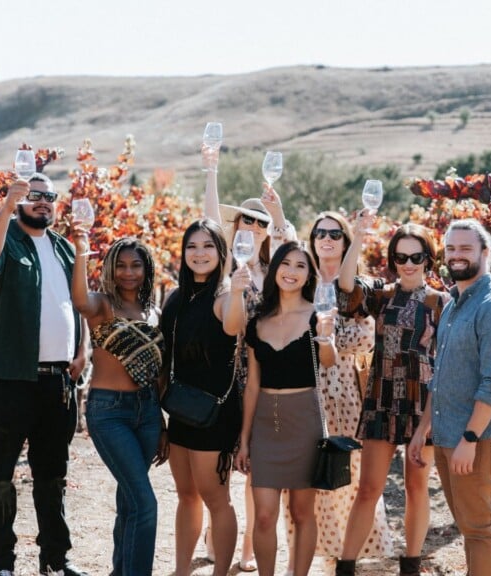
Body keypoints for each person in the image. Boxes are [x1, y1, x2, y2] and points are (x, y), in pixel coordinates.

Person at [0, 173, 89, 576]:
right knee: (0, 475)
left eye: (48, 197)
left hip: (58, 383)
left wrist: (83, 347)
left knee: (53, 474)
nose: (43, 202)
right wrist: (6, 207)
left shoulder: (64, 249)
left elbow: (76, 302)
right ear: (22, 201)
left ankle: (55, 560)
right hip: (11, 379)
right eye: (34, 196)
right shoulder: (8, 238)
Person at [335, 219, 448, 576]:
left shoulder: (440, 302)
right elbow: (345, 287)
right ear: (393, 259)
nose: (409, 263)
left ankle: (411, 564)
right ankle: (346, 566)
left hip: (422, 400)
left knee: (417, 487)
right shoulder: (381, 294)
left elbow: (444, 361)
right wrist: (359, 232)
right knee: (368, 488)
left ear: (429, 259)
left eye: (416, 256)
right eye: (401, 256)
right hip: (383, 397)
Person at [201, 144, 296, 572]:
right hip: (224, 375)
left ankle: (245, 549)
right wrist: (211, 170)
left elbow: (292, 248)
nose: (254, 227)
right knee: (220, 462)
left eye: (260, 222)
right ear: (235, 225)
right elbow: (205, 220)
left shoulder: (276, 271)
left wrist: (277, 216)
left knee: (256, 467)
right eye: (247, 219)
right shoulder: (226, 266)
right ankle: (212, 529)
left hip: (261, 376)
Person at [408, 219, 491, 576]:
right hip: (446, 434)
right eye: (451, 248)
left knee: (478, 530)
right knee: (468, 527)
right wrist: (422, 428)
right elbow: (441, 376)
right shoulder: (455, 304)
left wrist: (469, 439)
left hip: (474, 438)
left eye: (466, 249)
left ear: (485, 253)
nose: (457, 256)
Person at [283, 212, 393, 575]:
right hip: (302, 390)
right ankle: (301, 557)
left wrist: (328, 337)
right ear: (311, 240)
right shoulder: (298, 282)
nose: (326, 239)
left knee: (345, 478)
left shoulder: (358, 288)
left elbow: (364, 340)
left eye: (335, 233)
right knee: (300, 480)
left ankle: (341, 560)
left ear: (346, 242)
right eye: (319, 233)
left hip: (345, 395)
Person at [235, 241, 336, 576]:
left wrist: (325, 337)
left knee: (301, 511)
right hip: (265, 421)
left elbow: (329, 362)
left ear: (309, 275)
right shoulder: (256, 321)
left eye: (300, 266)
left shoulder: (316, 315)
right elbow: (251, 385)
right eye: (286, 264)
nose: (292, 272)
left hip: (304, 419)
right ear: (275, 268)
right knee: (263, 514)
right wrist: (245, 440)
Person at [70, 234, 166, 576]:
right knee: (145, 504)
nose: (128, 272)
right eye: (121, 265)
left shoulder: (154, 311)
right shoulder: (102, 305)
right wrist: (83, 250)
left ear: (147, 268)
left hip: (148, 413)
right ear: (111, 268)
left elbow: (157, 373)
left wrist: (162, 425)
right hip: (109, 413)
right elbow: (79, 300)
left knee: (129, 502)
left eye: (136, 265)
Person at [162, 218, 247, 576]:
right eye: (192, 246)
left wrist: (240, 291)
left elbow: (232, 326)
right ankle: (181, 570)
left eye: (208, 246)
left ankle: (220, 573)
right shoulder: (175, 297)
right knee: (185, 496)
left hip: (215, 414)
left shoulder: (225, 297)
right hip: (181, 409)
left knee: (216, 499)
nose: (199, 253)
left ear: (222, 253)